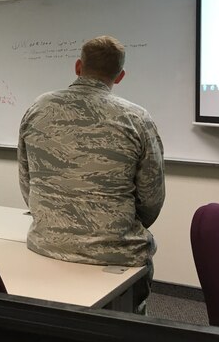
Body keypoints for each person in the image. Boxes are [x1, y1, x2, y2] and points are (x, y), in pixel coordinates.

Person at [17, 35, 164, 309]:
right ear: (120, 76)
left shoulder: (38, 108)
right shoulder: (136, 119)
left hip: (47, 245)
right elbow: (151, 199)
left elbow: (27, 182)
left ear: (77, 66)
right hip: (116, 252)